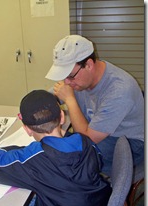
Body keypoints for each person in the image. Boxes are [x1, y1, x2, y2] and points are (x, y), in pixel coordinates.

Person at [0, 89, 112, 206]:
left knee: (24, 199)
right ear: (62, 117)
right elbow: (99, 161)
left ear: (26, 129)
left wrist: (10, 149)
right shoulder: (86, 142)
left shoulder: (34, 158)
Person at [45, 34, 144, 176]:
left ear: (89, 65)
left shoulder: (119, 90)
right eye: (63, 76)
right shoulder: (80, 77)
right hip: (97, 131)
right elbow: (50, 96)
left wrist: (70, 100)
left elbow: (87, 140)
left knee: (72, 158)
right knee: (57, 147)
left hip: (129, 143)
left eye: (70, 76)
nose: (66, 82)